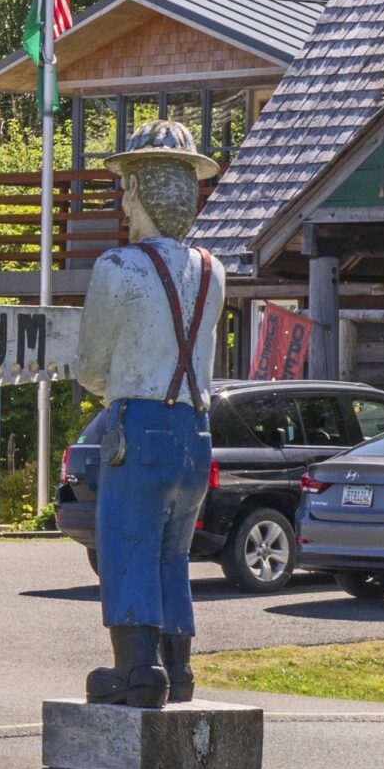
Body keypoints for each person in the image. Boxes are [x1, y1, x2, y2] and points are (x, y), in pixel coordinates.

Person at [73, 121, 226, 708]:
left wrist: (117, 380)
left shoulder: (120, 267)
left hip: (140, 420)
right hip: (196, 427)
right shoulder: (213, 271)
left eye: (126, 187)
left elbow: (91, 365)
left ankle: (138, 671)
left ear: (137, 191)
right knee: (173, 551)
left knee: (127, 541)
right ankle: (179, 667)